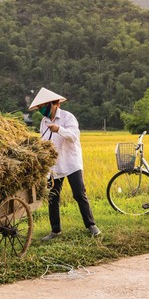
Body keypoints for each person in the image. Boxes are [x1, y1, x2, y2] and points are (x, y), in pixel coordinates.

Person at [29, 87, 101, 240]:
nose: (41, 110)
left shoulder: (68, 118)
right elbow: (44, 141)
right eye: (40, 108)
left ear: (55, 104)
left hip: (70, 162)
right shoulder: (44, 121)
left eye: (43, 107)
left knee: (79, 194)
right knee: (53, 197)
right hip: (54, 166)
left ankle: (91, 225)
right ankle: (55, 230)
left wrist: (59, 129)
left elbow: (74, 136)